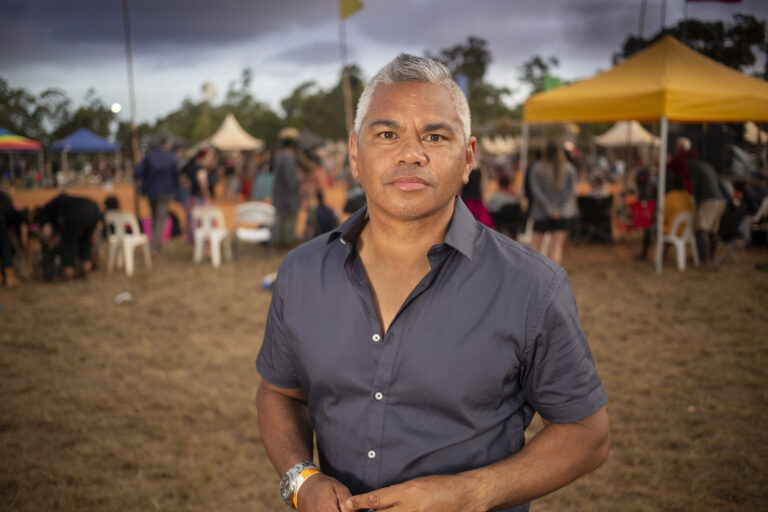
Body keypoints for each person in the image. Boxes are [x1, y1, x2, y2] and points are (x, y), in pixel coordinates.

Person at [256, 54, 609, 512]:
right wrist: (302, 481)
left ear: (468, 159)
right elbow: (280, 393)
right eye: (388, 134)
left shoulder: (532, 286)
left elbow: (587, 433)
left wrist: (470, 493)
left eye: (435, 136)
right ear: (355, 155)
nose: (411, 153)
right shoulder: (302, 272)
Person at [529, 141, 578, 265]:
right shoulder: (569, 168)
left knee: (535, 247)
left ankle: (535, 273)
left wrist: (549, 209)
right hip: (563, 213)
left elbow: (536, 191)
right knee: (556, 247)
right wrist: (558, 210)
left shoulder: (537, 167)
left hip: (541, 213)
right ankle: (554, 275)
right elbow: (571, 192)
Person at [35, 193, 101, 280]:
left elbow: (47, 232)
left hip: (78, 213)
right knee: (85, 242)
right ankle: (85, 270)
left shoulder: (47, 211)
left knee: (68, 243)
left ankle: (68, 274)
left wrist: (51, 243)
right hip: (94, 209)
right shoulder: (62, 203)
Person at [134, 137, 178, 253]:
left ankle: (156, 244)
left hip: (151, 191)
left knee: (155, 217)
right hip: (166, 192)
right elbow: (175, 176)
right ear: (167, 145)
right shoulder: (171, 157)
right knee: (160, 219)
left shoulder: (149, 156)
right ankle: (154, 246)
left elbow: (137, 172)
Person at [636, 174, 694, 261]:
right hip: (687, 231)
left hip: (673, 230)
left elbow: (662, 217)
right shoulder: (688, 196)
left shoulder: (669, 197)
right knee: (669, 228)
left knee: (649, 230)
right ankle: (664, 253)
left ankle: (644, 254)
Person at [688, 154, 726, 266]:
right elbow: (720, 184)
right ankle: (710, 258)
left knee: (702, 230)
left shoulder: (695, 167)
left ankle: (707, 260)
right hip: (720, 200)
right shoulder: (708, 166)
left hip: (709, 200)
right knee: (712, 232)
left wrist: (696, 203)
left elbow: (696, 187)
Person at [272, 130, 302, 247]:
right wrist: (300, 178)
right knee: (289, 219)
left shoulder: (279, 156)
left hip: (280, 195)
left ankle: (279, 240)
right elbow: (291, 181)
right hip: (288, 197)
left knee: (281, 218)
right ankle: (286, 241)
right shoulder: (288, 158)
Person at [180, 148, 215, 241]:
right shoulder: (200, 169)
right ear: (201, 158)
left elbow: (182, 179)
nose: (209, 160)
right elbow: (202, 181)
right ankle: (203, 239)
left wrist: (188, 184)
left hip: (191, 198)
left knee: (192, 219)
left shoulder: (189, 167)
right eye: (208, 158)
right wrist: (206, 192)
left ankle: (193, 238)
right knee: (204, 219)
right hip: (200, 199)